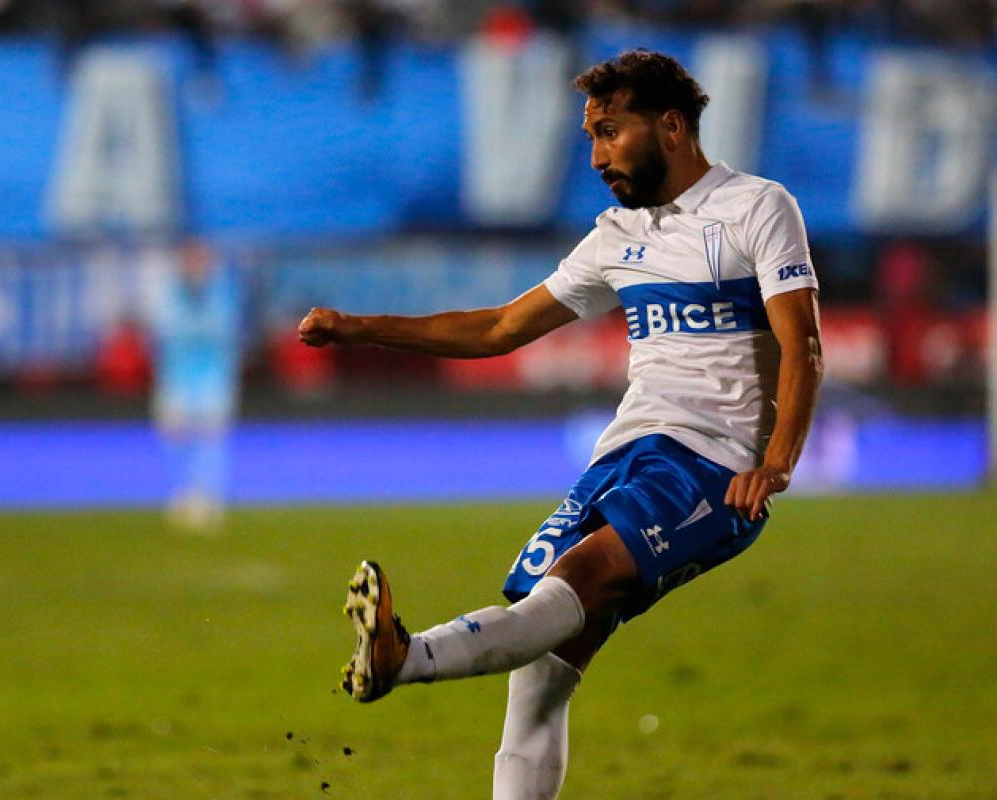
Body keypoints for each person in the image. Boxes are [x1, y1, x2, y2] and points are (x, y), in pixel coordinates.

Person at [298, 49, 823, 799]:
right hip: (624, 456)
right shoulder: (616, 236)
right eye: (590, 138)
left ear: (671, 127)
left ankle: (404, 658)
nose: (597, 157)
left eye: (610, 132)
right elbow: (499, 328)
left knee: (570, 585)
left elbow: (803, 343)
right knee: (542, 670)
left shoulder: (757, 207)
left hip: (712, 467)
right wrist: (359, 329)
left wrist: (775, 462)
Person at [150, 239, 245, 532]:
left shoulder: (221, 293)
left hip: (213, 378)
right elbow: (168, 332)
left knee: (211, 439)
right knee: (175, 437)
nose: (196, 266)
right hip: (176, 377)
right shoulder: (171, 292)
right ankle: (181, 493)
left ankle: (209, 496)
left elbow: (223, 331)